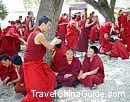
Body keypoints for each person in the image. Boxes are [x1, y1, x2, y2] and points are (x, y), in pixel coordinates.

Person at [22, 16, 61, 102]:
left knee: (50, 76)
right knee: (37, 87)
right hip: (32, 65)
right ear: (43, 24)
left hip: (37, 63)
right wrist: (55, 41)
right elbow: (49, 47)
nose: (49, 28)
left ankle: (47, 95)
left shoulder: (34, 33)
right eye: (49, 25)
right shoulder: (39, 35)